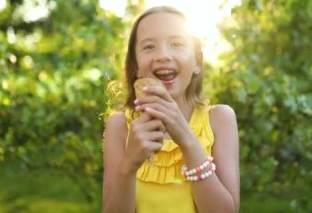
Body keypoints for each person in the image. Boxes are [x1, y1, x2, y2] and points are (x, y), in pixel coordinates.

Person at [102, 6, 239, 213]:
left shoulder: (219, 119)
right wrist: (129, 165)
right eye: (149, 47)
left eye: (177, 44)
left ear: (197, 62)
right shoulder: (120, 126)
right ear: (136, 66)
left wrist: (186, 138)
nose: (163, 55)